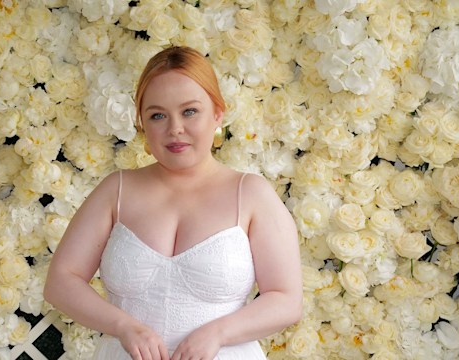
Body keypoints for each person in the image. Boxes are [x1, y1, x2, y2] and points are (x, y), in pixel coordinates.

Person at [44, 46, 303, 360]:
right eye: (157, 115)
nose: (174, 128)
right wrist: (124, 326)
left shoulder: (251, 194)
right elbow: (61, 281)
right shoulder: (117, 190)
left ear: (218, 112)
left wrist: (219, 333)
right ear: (142, 123)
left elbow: (286, 299)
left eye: (189, 111)